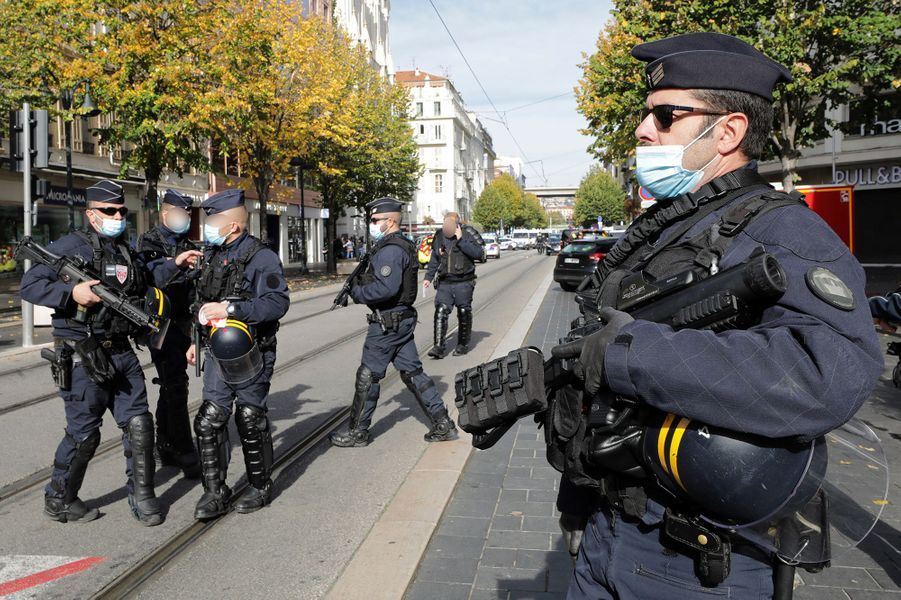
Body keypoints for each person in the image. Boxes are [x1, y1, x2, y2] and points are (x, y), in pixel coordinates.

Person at [549, 33, 883, 599]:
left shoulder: (783, 231)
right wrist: (577, 499)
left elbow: (831, 370)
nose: (643, 128)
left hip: (696, 564)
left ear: (727, 131)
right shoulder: (674, 227)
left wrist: (631, 353)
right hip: (612, 532)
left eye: (665, 114)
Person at [20, 180, 203, 526]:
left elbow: (146, 276)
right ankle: (59, 497)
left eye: (121, 210)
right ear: (91, 213)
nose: (117, 215)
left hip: (121, 350)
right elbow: (30, 285)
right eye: (109, 211)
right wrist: (71, 293)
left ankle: (143, 495)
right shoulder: (70, 246)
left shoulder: (123, 249)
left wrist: (175, 263)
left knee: (139, 424)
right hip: (82, 354)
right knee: (85, 434)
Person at [186, 188, 289, 519]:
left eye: (211, 220)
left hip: (251, 352)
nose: (206, 227)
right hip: (216, 352)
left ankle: (259, 486)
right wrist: (195, 341)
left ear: (232, 225)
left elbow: (277, 303)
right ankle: (214, 492)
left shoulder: (262, 258)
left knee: (249, 418)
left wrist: (231, 308)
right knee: (209, 419)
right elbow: (202, 302)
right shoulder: (213, 255)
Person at [329, 197, 458, 447]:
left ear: (390, 221)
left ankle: (358, 432)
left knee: (368, 376)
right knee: (413, 373)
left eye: (375, 220)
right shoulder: (399, 245)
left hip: (387, 323)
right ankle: (443, 423)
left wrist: (357, 293)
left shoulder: (390, 250)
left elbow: (385, 290)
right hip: (400, 320)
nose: (371, 223)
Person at [137, 189, 201, 479]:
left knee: (173, 385)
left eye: (187, 213)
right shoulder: (149, 241)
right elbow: (149, 277)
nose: (184, 217)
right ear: (165, 213)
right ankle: (186, 453)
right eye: (180, 212)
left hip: (184, 323)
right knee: (175, 385)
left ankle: (166, 443)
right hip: (160, 325)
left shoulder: (187, 242)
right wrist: (175, 263)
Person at [423, 212, 482, 358]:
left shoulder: (468, 234)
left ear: (457, 224)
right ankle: (438, 347)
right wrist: (428, 277)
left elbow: (479, 254)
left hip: (464, 281)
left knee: (463, 311)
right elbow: (434, 259)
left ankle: (462, 345)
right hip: (445, 282)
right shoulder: (439, 236)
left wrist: (461, 240)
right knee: (441, 311)